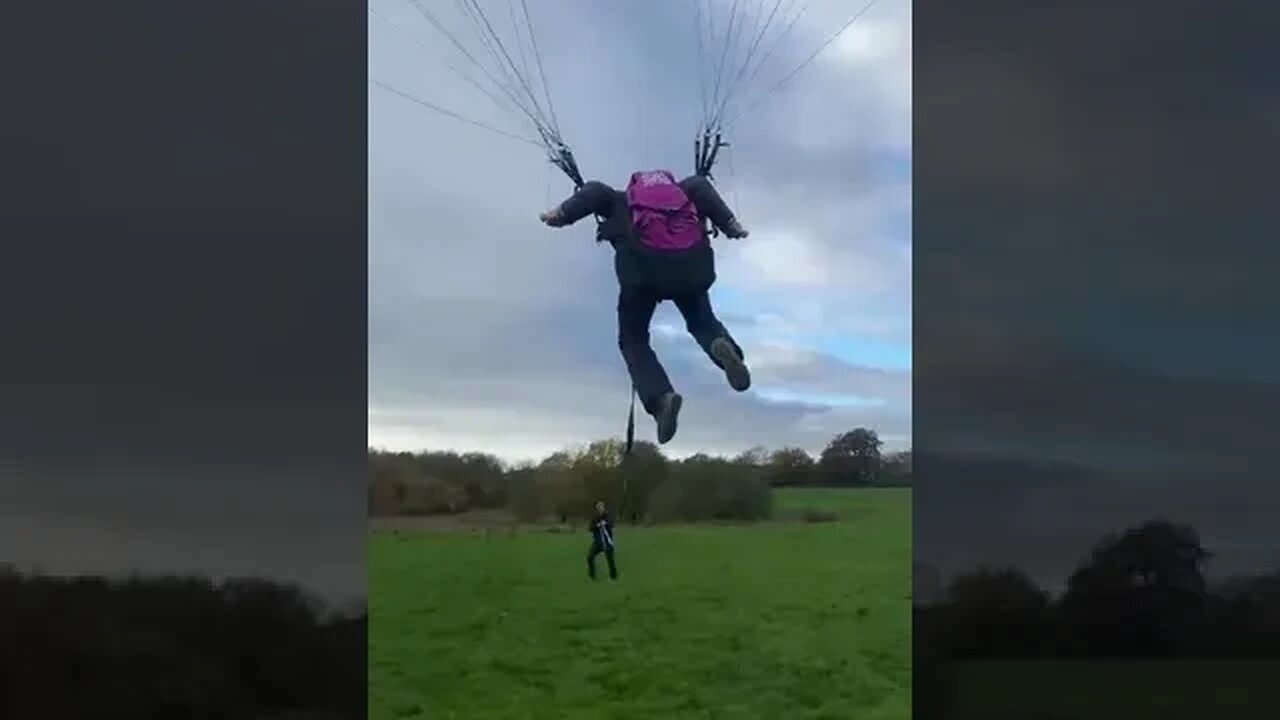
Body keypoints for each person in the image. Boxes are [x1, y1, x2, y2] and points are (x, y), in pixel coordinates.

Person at [539, 170, 751, 444]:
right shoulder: (689, 191)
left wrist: (561, 214)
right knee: (702, 323)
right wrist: (731, 225)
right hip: (691, 270)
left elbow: (593, 192)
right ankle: (726, 350)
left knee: (633, 340)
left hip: (642, 276)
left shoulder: (617, 199)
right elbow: (703, 186)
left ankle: (661, 398)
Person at [587, 500, 618, 581]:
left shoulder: (607, 516)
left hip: (607, 541)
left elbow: (612, 524)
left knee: (610, 560)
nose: (600, 508)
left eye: (601, 506)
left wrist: (606, 523)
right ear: (597, 508)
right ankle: (592, 576)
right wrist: (597, 525)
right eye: (598, 507)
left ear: (603, 507)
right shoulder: (595, 517)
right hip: (598, 541)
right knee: (590, 557)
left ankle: (613, 577)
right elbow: (590, 528)